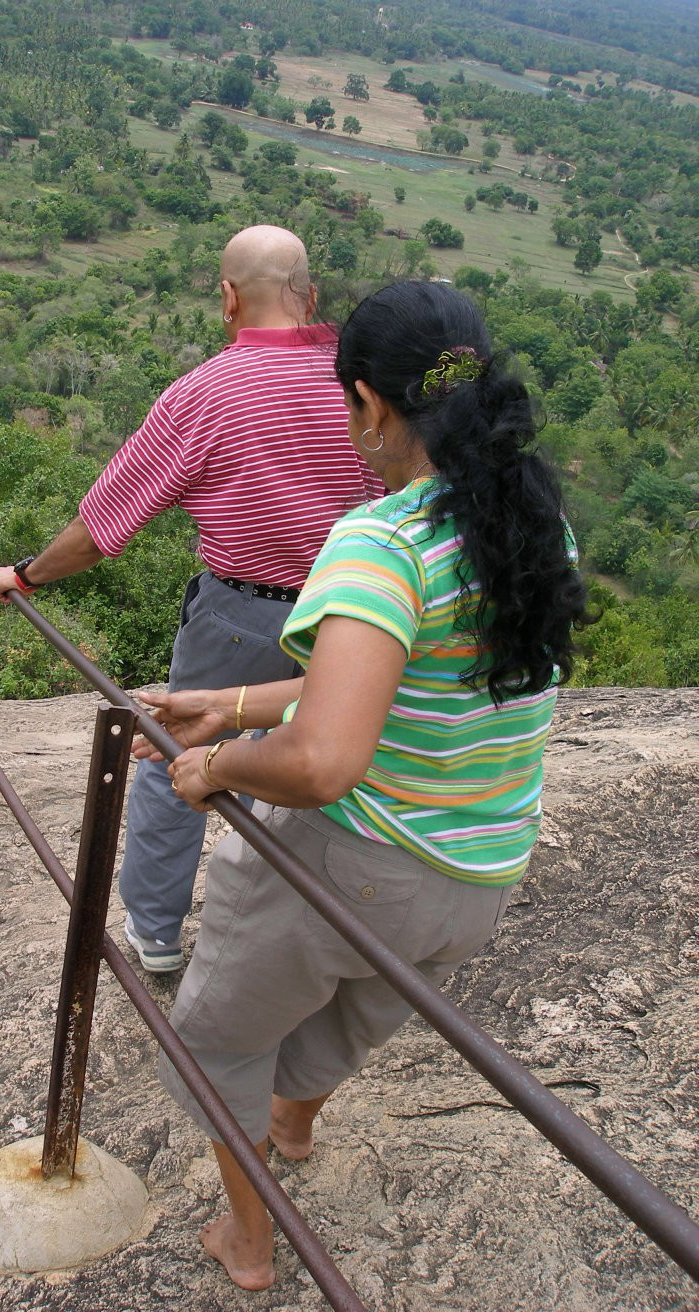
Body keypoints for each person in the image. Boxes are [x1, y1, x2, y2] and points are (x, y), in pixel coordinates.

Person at [131, 279, 591, 1290]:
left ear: (373, 406)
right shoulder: (527, 521)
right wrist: (237, 704)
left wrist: (213, 767)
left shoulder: (382, 540)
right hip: (479, 873)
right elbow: (407, 679)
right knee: (344, 1016)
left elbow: (322, 761)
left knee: (213, 1037)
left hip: (360, 861)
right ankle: (290, 1129)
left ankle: (250, 1238)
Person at [0, 225, 382, 971]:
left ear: (229, 298)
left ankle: (157, 936)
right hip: (357, 616)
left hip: (241, 617)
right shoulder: (363, 385)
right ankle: (300, 938)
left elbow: (103, 527)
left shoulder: (204, 393)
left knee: (172, 757)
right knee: (323, 766)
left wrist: (28, 576)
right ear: (313, 295)